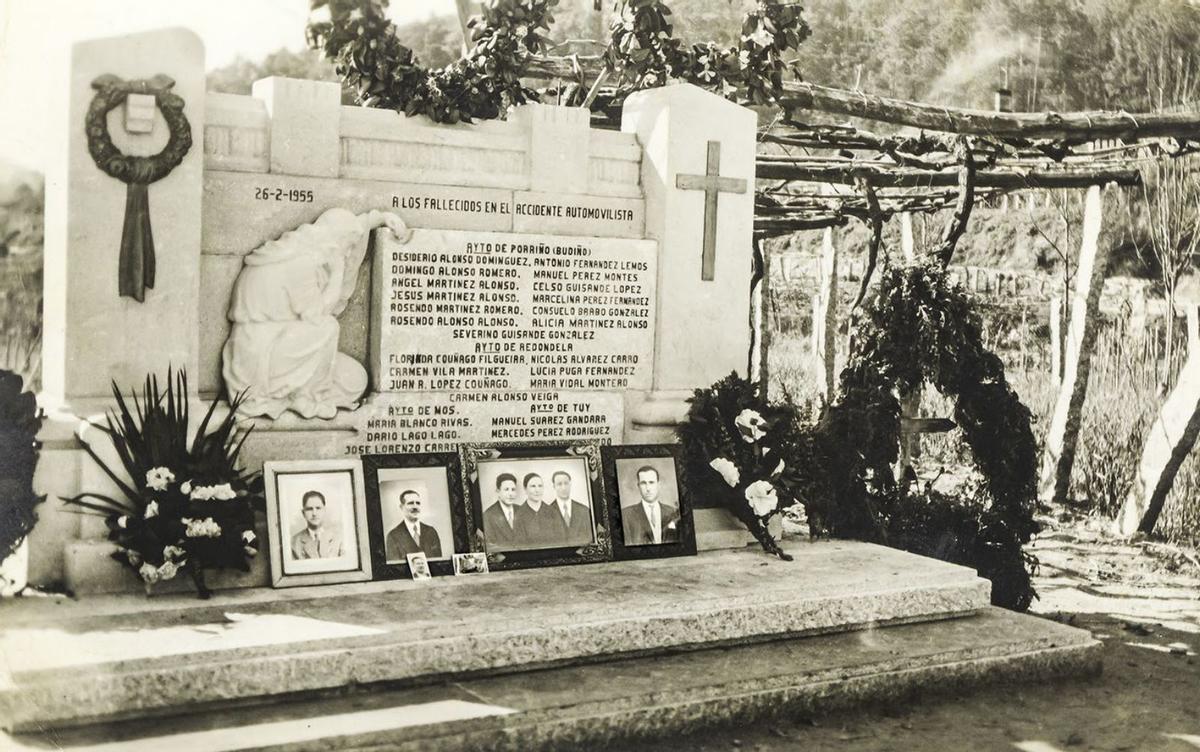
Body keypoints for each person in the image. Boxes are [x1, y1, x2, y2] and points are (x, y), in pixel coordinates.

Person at [222, 208, 411, 420]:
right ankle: (305, 396)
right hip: (260, 361)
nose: (348, 253)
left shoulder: (299, 249)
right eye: (347, 247)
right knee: (327, 327)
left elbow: (343, 229)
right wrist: (337, 272)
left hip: (278, 346)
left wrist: (376, 219)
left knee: (355, 379)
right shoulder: (299, 263)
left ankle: (303, 392)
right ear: (335, 240)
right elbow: (318, 314)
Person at [621, 465, 680, 545]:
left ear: (658, 485)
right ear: (638, 486)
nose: (648, 488)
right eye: (643, 483)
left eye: (651, 482)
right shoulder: (626, 515)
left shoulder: (673, 512)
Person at [385, 488, 442, 561]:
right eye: (411, 503)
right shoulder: (393, 536)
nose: (415, 507)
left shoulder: (431, 532)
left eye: (418, 503)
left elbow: (439, 562)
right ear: (401, 507)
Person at [481, 472, 528, 550]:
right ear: (498, 491)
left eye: (513, 490)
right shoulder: (488, 515)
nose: (510, 494)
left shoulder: (522, 511)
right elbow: (491, 547)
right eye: (506, 489)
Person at [290, 490, 343, 559]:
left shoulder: (339, 538)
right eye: (309, 509)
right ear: (303, 513)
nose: (314, 513)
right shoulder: (293, 543)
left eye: (318, 508)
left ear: (324, 510)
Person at [549, 469, 593, 546]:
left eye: (566, 483)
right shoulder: (546, 512)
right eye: (559, 484)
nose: (563, 488)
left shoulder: (584, 510)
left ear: (570, 484)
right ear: (554, 486)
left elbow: (590, 538)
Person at [518, 472, 560, 547]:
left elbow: (560, 541)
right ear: (525, 489)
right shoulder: (519, 514)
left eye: (540, 486)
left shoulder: (553, 512)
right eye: (533, 486)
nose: (537, 490)